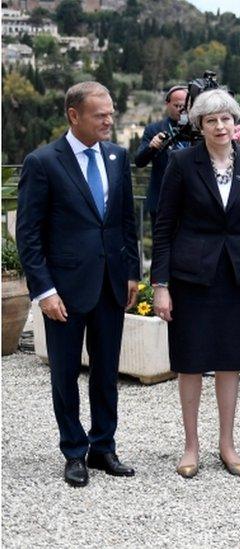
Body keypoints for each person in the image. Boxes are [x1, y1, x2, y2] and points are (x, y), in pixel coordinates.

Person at [16, 81, 140, 487]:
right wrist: (44, 291)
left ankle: (104, 447)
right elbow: (29, 235)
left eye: (111, 113)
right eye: (100, 114)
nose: (109, 120)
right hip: (64, 292)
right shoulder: (43, 162)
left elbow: (126, 223)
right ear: (74, 115)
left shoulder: (118, 157)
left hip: (110, 285)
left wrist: (132, 273)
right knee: (65, 375)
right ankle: (74, 450)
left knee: (106, 372)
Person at [151, 89, 240, 478]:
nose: (220, 126)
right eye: (211, 120)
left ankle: (227, 444)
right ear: (200, 126)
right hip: (190, 277)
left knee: (231, 361)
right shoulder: (182, 163)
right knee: (192, 362)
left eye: (226, 119)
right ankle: (190, 446)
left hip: (235, 275)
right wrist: (160, 284)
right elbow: (163, 226)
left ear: (236, 123)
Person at [135, 85, 191, 226]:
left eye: (184, 105)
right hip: (161, 201)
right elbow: (139, 162)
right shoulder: (154, 129)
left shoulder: (199, 129)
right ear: (167, 104)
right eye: (177, 105)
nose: (181, 109)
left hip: (192, 202)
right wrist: (152, 147)